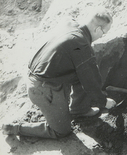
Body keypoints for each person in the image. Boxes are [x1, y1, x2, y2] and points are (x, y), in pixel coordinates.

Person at [2, 7, 116, 139]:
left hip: (42, 75)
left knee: (84, 71)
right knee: (62, 131)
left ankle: (80, 110)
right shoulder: (82, 45)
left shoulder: (70, 24)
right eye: (104, 33)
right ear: (97, 29)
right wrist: (104, 101)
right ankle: (15, 128)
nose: (102, 36)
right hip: (42, 88)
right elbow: (91, 82)